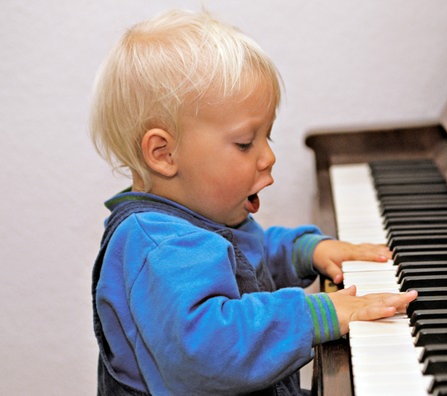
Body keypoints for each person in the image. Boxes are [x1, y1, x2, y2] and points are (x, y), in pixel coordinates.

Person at [89, 9, 417, 396]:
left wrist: (302, 251)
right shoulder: (159, 246)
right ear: (163, 153)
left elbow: (247, 254)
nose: (267, 157)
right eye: (246, 143)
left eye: (268, 138)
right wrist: (312, 316)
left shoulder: (200, 216)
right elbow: (207, 350)